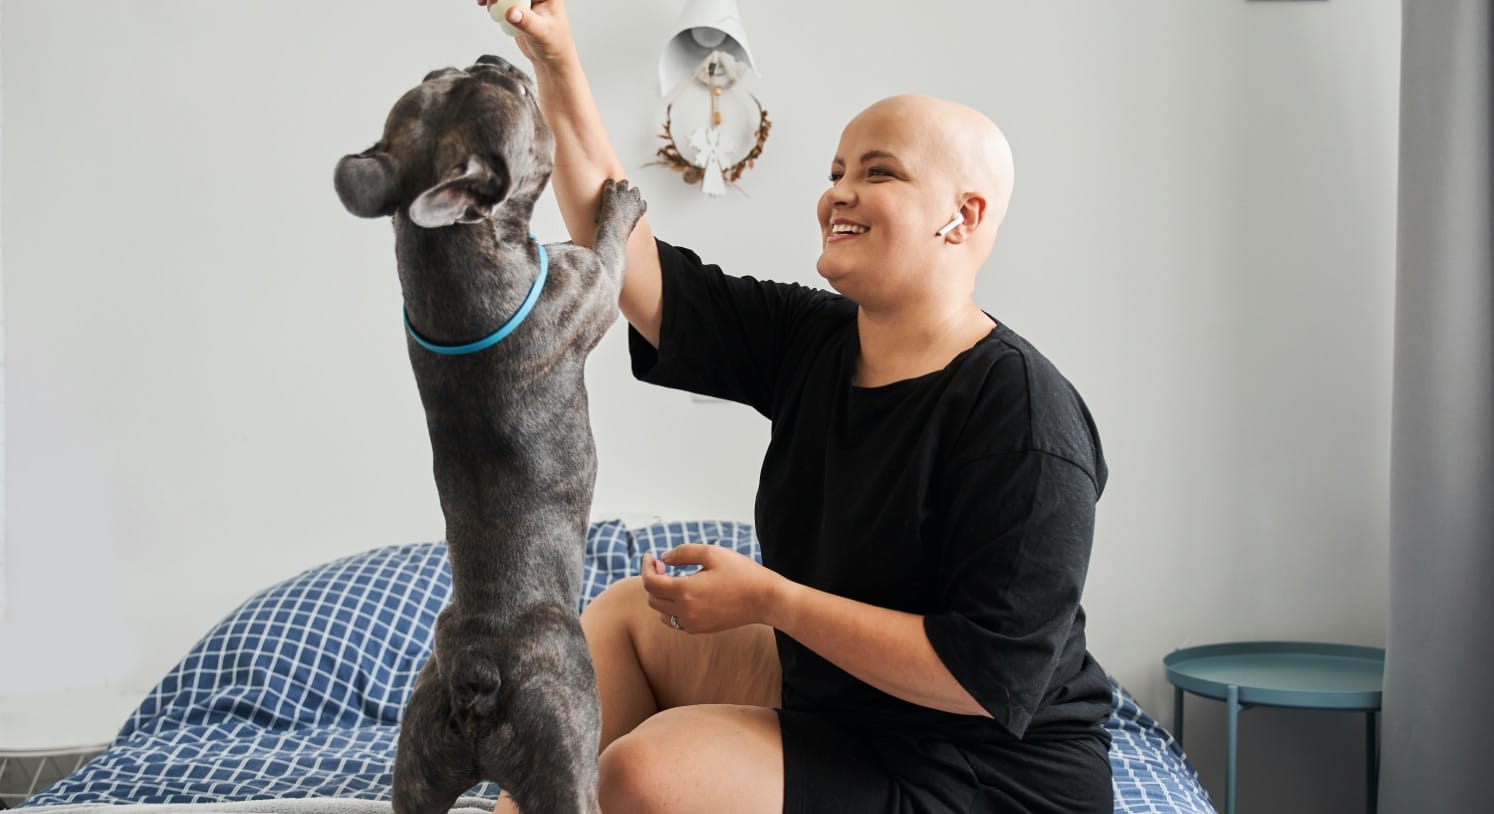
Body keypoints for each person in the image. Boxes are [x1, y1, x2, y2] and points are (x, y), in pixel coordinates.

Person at [481, 1, 1114, 811]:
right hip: (847, 704)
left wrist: (769, 598)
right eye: (836, 173)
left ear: (964, 216)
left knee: (645, 773)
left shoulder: (1025, 418)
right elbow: (630, 264)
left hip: (985, 770)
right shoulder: (816, 340)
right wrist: (557, 63)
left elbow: (983, 678)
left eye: (876, 173)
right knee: (632, 614)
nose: (837, 195)